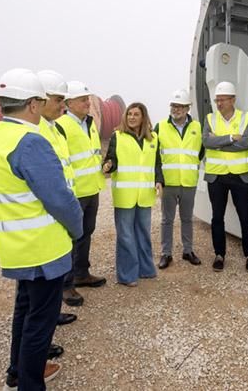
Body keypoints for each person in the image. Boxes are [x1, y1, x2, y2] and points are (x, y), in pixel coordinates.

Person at [0, 68, 83, 390]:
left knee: (24, 311)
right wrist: (77, 228)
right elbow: (60, 200)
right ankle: (29, 382)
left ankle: (17, 369)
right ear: (33, 104)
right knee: (40, 322)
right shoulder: (29, 142)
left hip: (16, 248)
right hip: (43, 250)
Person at [55, 81, 108, 307]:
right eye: (83, 99)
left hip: (92, 188)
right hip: (74, 192)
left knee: (87, 233)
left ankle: (82, 273)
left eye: (88, 99)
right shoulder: (61, 126)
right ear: (69, 103)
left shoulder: (90, 123)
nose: (88, 103)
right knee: (71, 239)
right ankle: (66, 285)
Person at [36, 70, 80, 332]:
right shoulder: (36, 134)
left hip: (59, 214)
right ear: (38, 100)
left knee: (52, 277)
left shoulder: (54, 128)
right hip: (47, 217)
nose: (62, 105)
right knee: (40, 285)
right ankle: (42, 333)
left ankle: (53, 313)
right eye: (58, 100)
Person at [102, 102, 162, 286]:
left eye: (136, 114)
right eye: (129, 114)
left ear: (143, 117)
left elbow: (157, 163)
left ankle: (146, 269)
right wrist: (109, 165)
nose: (132, 117)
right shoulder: (117, 136)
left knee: (143, 232)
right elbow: (111, 158)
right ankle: (127, 275)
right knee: (126, 235)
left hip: (144, 194)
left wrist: (159, 180)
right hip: (125, 194)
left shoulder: (153, 138)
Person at [202, 81, 248, 272]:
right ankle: (219, 255)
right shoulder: (210, 119)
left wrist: (219, 142)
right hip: (216, 176)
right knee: (217, 217)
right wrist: (231, 138)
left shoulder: (245, 117)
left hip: (241, 176)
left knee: (245, 216)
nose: (219, 104)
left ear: (233, 99)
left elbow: (247, 143)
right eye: (217, 100)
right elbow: (207, 142)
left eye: (223, 100)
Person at [155, 89, 203, 269]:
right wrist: (158, 178)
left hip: (188, 182)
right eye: (174, 106)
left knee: (187, 218)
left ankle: (188, 251)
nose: (176, 109)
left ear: (187, 108)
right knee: (167, 220)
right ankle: (166, 253)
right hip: (169, 183)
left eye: (180, 106)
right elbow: (155, 156)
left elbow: (201, 151)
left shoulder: (197, 127)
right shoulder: (160, 127)